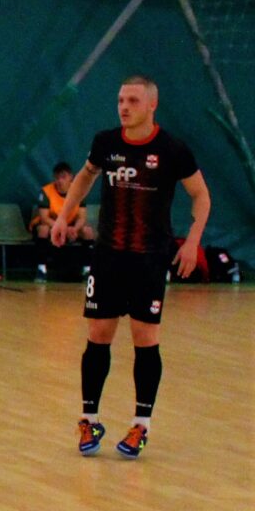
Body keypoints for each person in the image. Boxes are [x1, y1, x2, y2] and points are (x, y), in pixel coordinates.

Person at [50, 75, 210, 459]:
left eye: (133, 101)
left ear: (152, 105)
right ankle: (89, 419)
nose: (124, 107)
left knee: (145, 337)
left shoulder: (172, 149)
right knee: (98, 334)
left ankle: (141, 425)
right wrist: (64, 216)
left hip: (149, 259)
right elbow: (85, 176)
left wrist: (192, 241)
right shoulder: (106, 142)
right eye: (121, 100)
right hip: (108, 256)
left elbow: (201, 195)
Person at [30, 161, 89, 279]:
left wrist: (75, 229)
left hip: (69, 225)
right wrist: (63, 228)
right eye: (57, 178)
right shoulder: (46, 191)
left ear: (71, 177)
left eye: (63, 177)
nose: (60, 181)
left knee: (87, 231)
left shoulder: (79, 191)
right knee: (43, 229)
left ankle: (87, 269)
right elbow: (44, 218)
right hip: (51, 224)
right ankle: (41, 268)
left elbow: (82, 217)